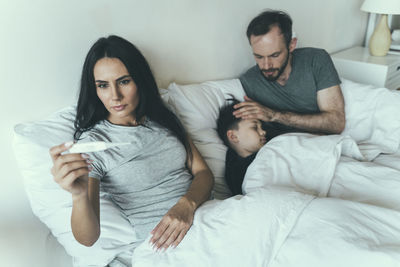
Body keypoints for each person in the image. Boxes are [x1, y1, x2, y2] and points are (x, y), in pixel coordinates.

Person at [49, 36, 214, 254]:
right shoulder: (93, 144)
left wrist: (186, 205)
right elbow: (88, 239)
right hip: (167, 244)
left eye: (124, 81)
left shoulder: (163, 116)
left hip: (209, 216)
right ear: (94, 89)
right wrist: (78, 196)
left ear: (140, 80)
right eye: (103, 85)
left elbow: (203, 172)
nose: (115, 96)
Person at [234, 10, 345, 134]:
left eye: (274, 55)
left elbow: (337, 123)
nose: (266, 66)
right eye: (259, 57)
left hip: (323, 145)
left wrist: (275, 115)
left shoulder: (316, 60)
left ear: (291, 45)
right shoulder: (250, 81)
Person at [217, 99, 295, 196]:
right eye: (254, 127)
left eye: (261, 127)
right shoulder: (236, 173)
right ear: (233, 137)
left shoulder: (271, 144)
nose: (263, 132)